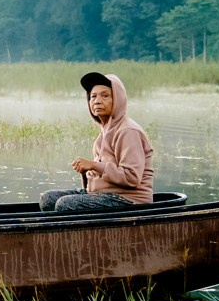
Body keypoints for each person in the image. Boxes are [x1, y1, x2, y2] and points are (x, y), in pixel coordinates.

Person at [40, 71, 154, 212]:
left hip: (129, 200)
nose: (97, 101)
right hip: (104, 195)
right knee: (48, 199)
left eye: (105, 95)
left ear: (118, 99)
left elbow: (131, 177)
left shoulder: (128, 131)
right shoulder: (104, 132)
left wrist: (94, 165)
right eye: (93, 96)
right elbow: (104, 171)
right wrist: (88, 170)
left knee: (65, 205)